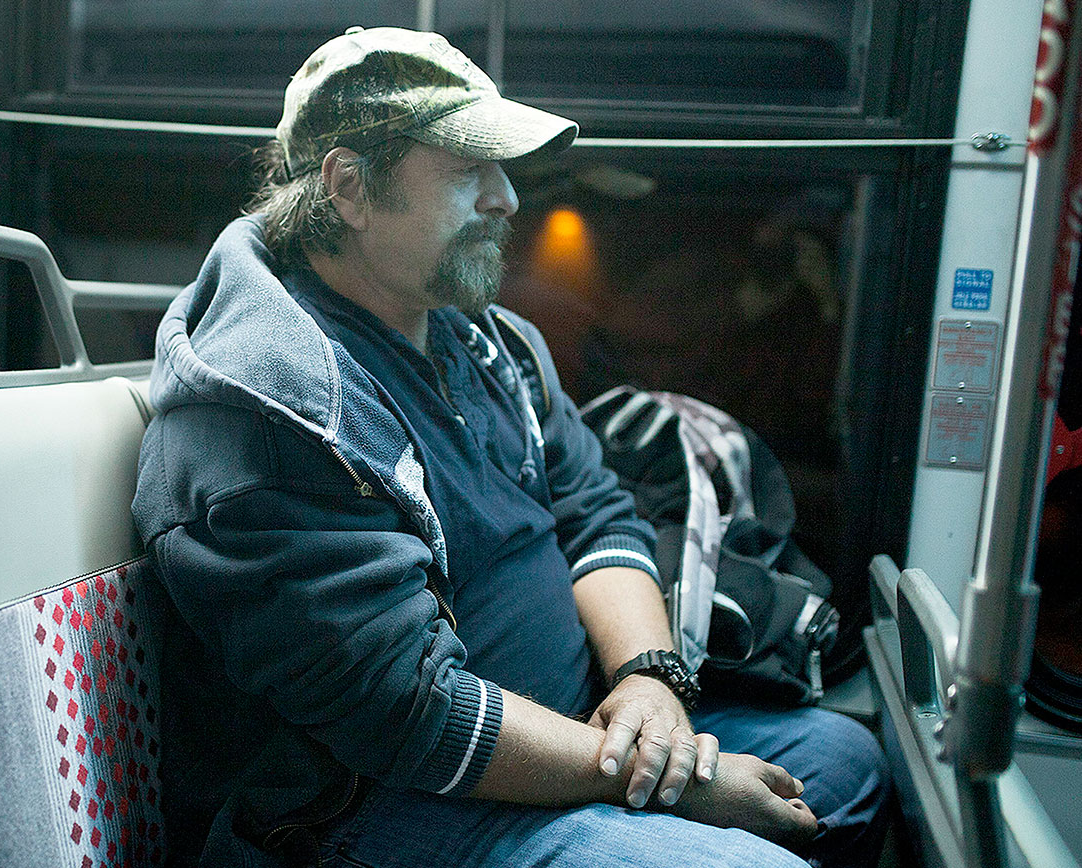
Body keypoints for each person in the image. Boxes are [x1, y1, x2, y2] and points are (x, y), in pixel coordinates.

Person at [132, 26, 889, 868]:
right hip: (364, 804)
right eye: (468, 170)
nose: (508, 199)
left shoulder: (488, 344)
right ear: (350, 186)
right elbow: (410, 712)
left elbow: (595, 509)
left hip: (569, 728)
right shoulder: (269, 414)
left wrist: (647, 678)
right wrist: (663, 780)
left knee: (846, 764)